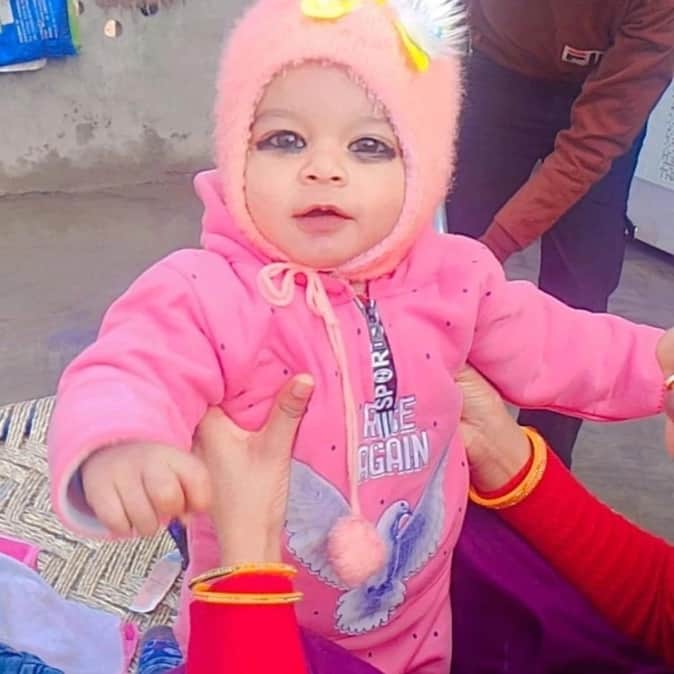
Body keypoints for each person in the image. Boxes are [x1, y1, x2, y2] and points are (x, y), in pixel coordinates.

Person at [46, 0, 674, 671]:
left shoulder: (456, 278)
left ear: (424, 171)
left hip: (422, 631)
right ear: (233, 154)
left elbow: (559, 345)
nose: (324, 168)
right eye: (284, 139)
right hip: (260, 627)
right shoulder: (205, 290)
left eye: (369, 146)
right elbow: (127, 369)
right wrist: (119, 445)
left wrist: (657, 362)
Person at [445, 0, 674, 466]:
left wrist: (493, 245)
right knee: (446, 268)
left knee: (580, 292)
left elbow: (591, 146)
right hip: (499, 71)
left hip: (605, 93)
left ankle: (539, 472)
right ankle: (431, 443)